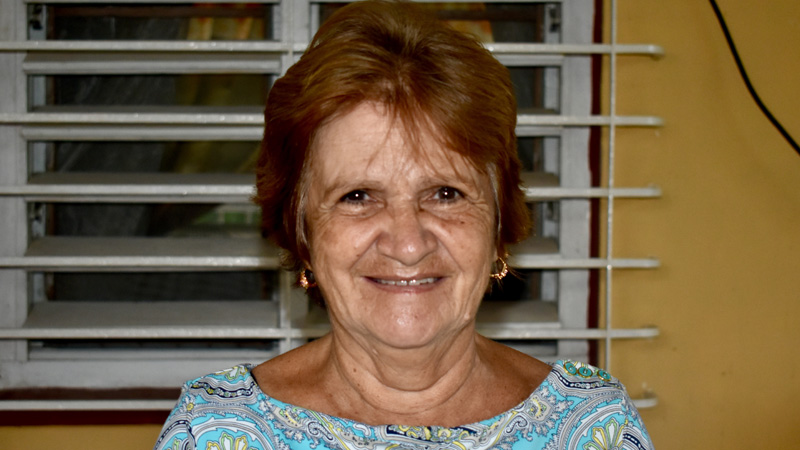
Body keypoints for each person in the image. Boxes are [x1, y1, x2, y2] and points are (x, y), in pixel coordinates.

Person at [155, 1, 654, 449]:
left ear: (499, 222)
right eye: (357, 196)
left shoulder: (594, 429)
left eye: (445, 194)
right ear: (302, 232)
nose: (409, 244)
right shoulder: (216, 434)